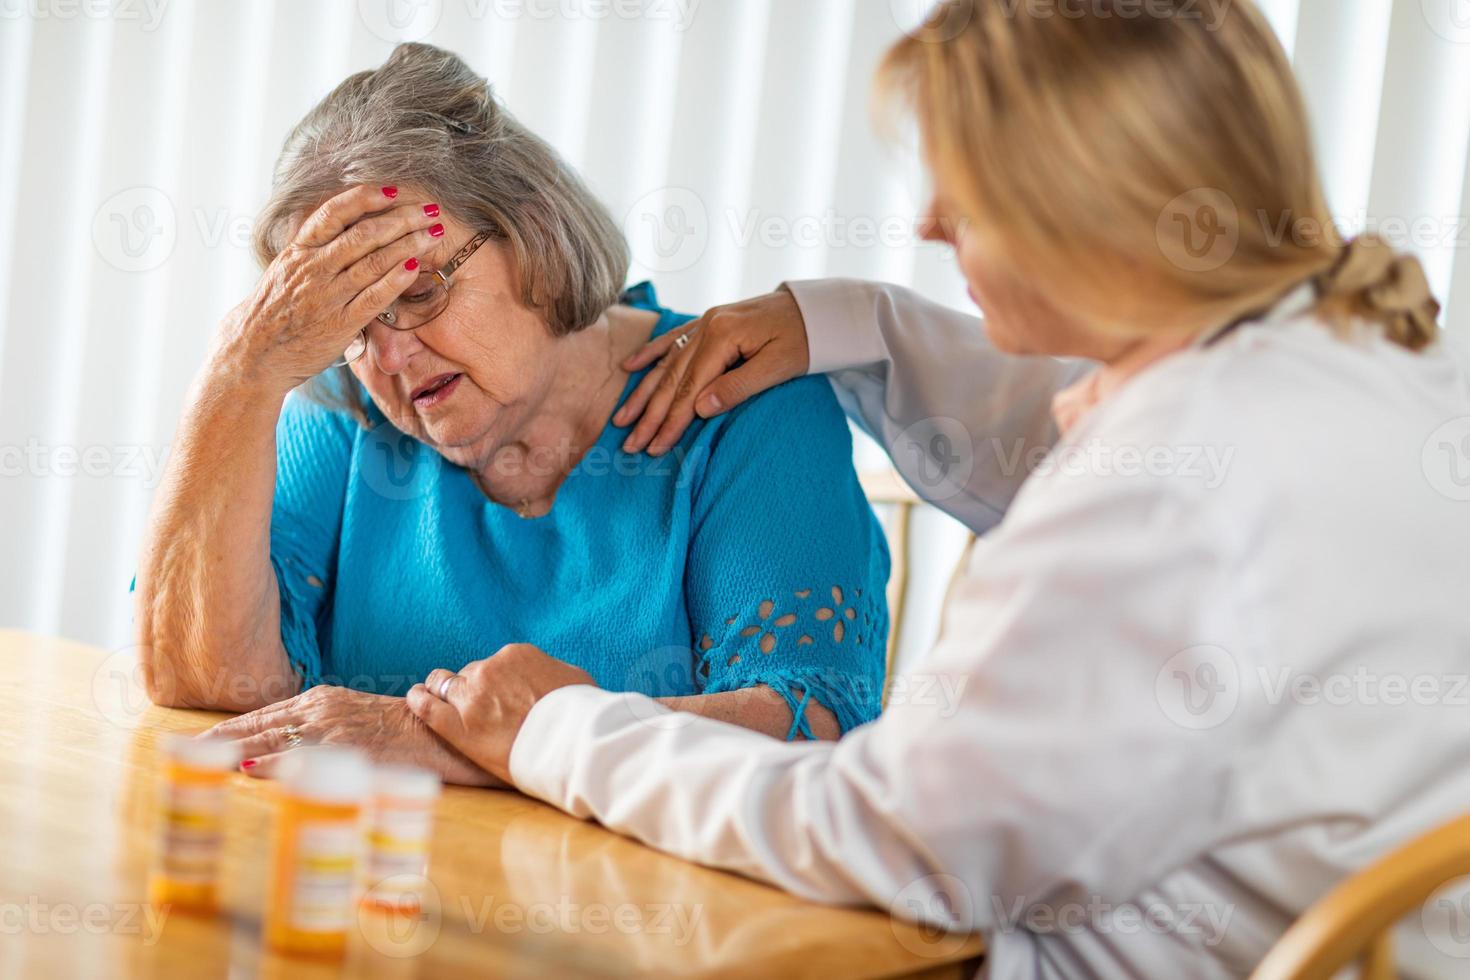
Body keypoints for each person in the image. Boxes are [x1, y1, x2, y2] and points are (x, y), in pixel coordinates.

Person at [400, 1, 1470, 975]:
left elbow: (886, 839)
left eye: (970, 179)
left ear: (1093, 195)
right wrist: (845, 320)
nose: (928, 222)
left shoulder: (1159, 487)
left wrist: (561, 728)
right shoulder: (1370, 367)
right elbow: (1044, 419)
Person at [133, 43, 890, 781]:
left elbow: (811, 731)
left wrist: (458, 741)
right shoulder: (343, 413)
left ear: (532, 230)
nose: (389, 359)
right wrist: (240, 370)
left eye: (418, 289)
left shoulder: (746, 403)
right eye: (351, 324)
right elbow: (205, 683)